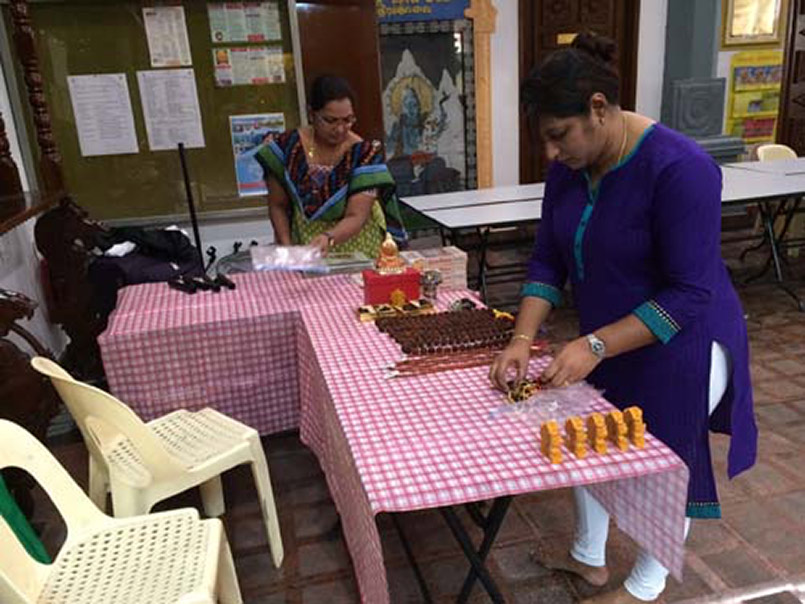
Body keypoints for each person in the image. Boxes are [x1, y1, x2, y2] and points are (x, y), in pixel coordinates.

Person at [489, 32, 757, 604]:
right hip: (607, 336)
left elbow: (690, 293)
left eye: (558, 136)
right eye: (545, 141)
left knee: (658, 462)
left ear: (598, 109)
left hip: (684, 342)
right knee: (589, 439)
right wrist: (523, 336)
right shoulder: (569, 169)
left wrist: (597, 345)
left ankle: (645, 585)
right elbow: (548, 258)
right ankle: (588, 558)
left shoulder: (682, 170)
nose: (552, 154)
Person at [256, 75, 406, 258]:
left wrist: (328, 237)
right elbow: (278, 205)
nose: (341, 129)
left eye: (348, 120)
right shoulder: (287, 148)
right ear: (312, 114)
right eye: (331, 120)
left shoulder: (363, 154)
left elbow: (356, 216)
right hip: (305, 244)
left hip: (358, 245)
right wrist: (288, 249)